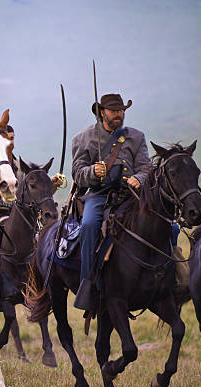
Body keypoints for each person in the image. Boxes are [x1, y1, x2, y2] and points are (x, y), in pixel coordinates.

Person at [71, 93, 152, 311]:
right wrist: (92, 171)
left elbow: (146, 167)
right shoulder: (83, 138)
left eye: (122, 110)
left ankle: (172, 278)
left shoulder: (136, 136)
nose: (119, 114)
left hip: (131, 196)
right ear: (102, 112)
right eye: (114, 110)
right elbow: (77, 173)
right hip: (100, 196)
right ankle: (88, 286)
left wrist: (139, 178)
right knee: (88, 226)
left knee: (168, 226)